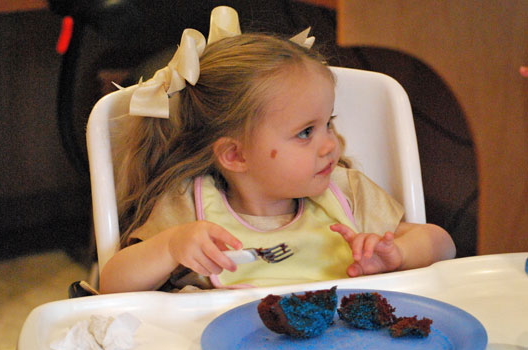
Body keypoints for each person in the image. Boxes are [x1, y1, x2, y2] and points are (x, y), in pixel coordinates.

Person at [99, 7, 455, 294]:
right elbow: (112, 284)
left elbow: (442, 245)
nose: (331, 143)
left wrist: (399, 254)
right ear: (235, 155)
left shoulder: (348, 192)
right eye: (305, 133)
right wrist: (170, 247)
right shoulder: (190, 209)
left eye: (327, 123)